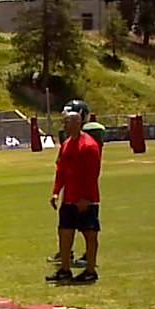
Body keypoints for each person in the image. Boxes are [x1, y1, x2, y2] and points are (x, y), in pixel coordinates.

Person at [47, 100, 102, 284]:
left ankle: (90, 270)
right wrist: (56, 192)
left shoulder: (89, 146)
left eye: (67, 122)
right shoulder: (66, 144)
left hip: (86, 199)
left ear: (78, 123)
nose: (64, 126)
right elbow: (61, 170)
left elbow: (93, 174)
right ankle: (65, 269)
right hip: (69, 198)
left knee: (90, 234)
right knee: (64, 232)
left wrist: (86, 198)